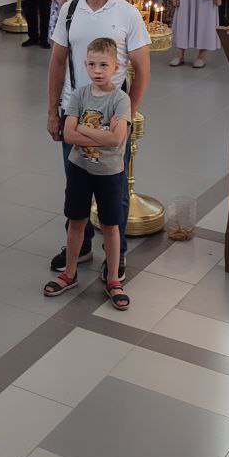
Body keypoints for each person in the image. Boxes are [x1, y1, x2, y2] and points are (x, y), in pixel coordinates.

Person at [47, 0, 151, 278]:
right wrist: (53, 111)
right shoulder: (71, 10)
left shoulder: (127, 14)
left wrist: (127, 112)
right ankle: (81, 244)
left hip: (112, 120)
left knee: (114, 189)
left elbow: (142, 68)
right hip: (73, 112)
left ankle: (114, 253)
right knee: (74, 181)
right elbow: (57, 61)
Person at [42, 37, 131, 311]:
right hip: (80, 170)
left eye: (104, 64)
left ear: (116, 66)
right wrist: (102, 133)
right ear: (85, 65)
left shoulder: (120, 99)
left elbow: (117, 140)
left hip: (109, 174)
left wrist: (85, 130)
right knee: (76, 220)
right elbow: (68, 133)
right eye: (92, 64)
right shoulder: (79, 95)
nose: (97, 70)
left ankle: (114, 279)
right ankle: (70, 273)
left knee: (111, 227)